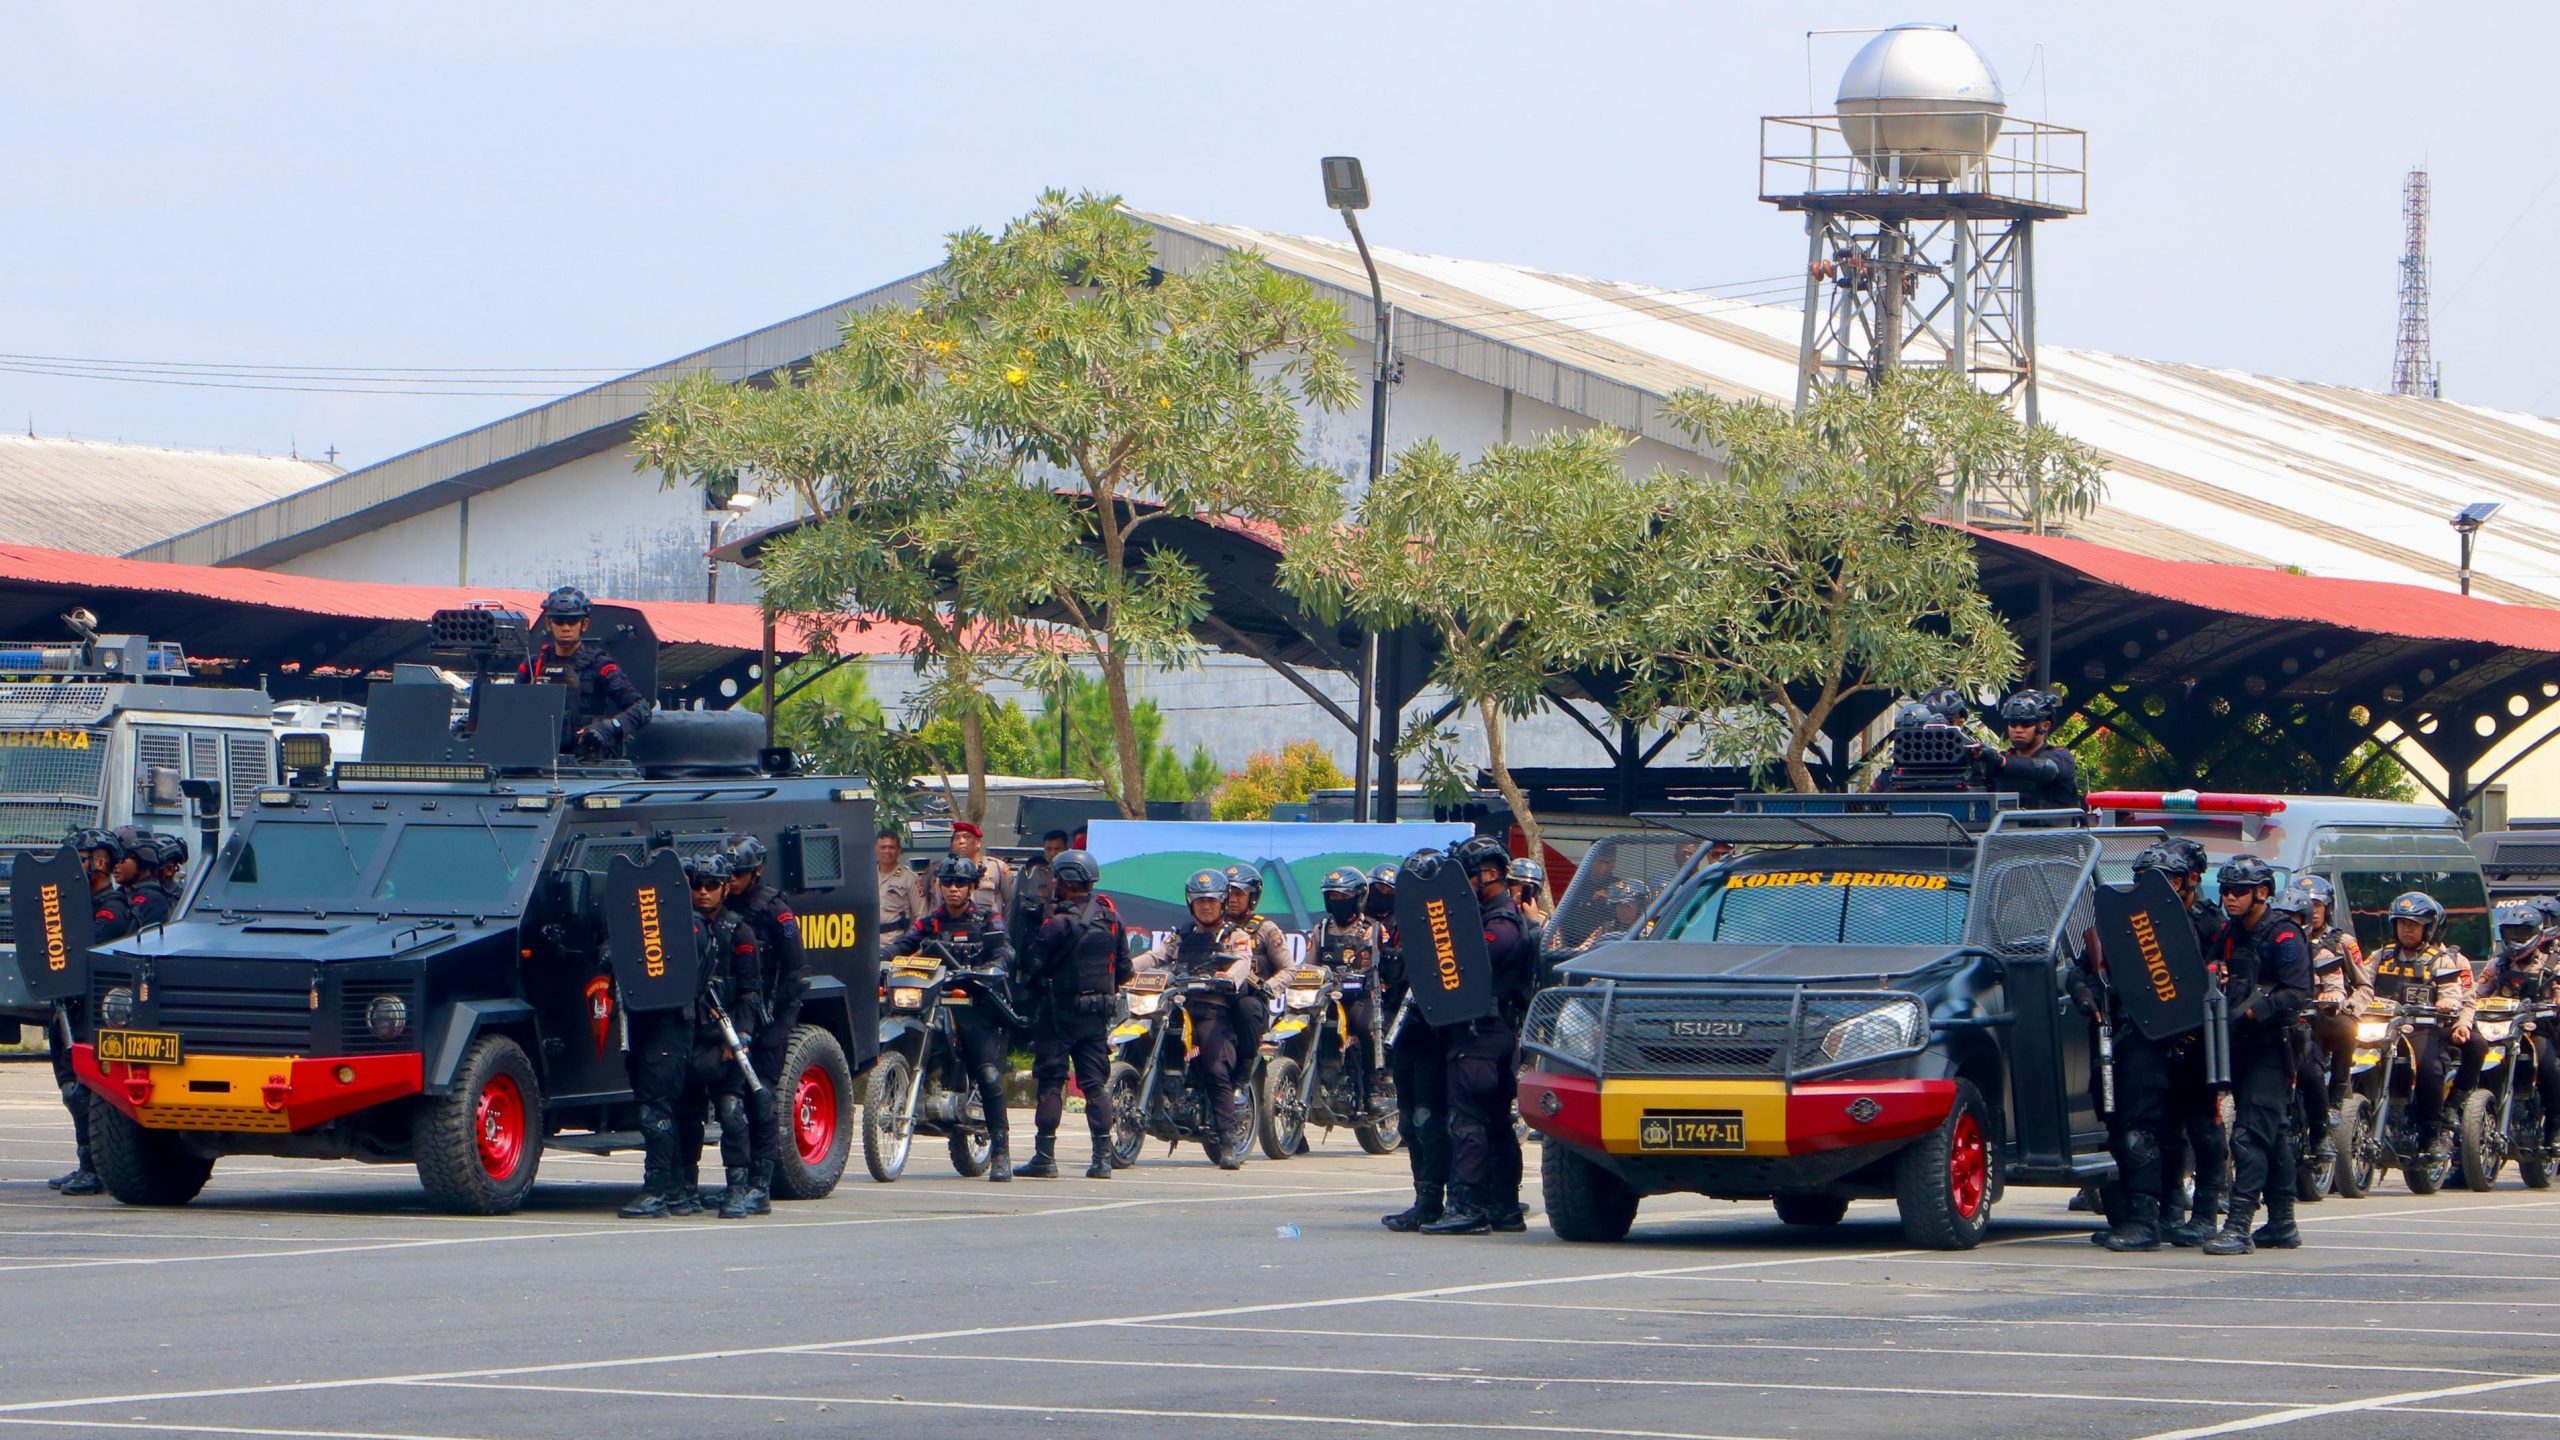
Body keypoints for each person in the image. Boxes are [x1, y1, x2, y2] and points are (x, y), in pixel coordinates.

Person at [1425, 835, 1535, 1236]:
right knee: (1493, 1122)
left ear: (1488, 875)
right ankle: (1503, 1206)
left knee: (1469, 1119)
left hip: (1483, 1036)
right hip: (1490, 1035)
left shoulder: (1501, 925)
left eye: (1468, 877)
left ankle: (1468, 1205)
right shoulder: (1494, 919)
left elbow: (1470, 965)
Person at [885, 855, 1020, 1180]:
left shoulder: (987, 919)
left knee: (988, 1074)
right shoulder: (931, 922)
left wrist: (995, 964)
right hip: (935, 1001)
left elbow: (1005, 949)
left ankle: (1001, 1150)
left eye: (960, 883)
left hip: (974, 1003)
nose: (953, 889)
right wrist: (877, 957)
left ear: (972, 886)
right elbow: (902, 944)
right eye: (947, 883)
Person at [2202, 856, 2312, 1255]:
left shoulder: (2284, 935)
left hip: (2274, 1046)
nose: (2229, 898)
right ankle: (2282, 1221)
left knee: (2249, 1135)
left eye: (2238, 891)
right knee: (2274, 1135)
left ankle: (2238, 1225)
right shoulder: (2230, 932)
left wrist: (2250, 1011)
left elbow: (2297, 992)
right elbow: (2211, 966)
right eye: (2225, 891)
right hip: (2239, 1045)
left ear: (2262, 893)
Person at [2088, 841, 2188, 1251]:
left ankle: (2151, 1220)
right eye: (2141, 879)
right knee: (2120, 1131)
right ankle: (2133, 1215)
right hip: (2124, 1039)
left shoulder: (2187, 928)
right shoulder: (2121, 923)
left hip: (2167, 1044)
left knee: (2146, 1132)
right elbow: (2085, 969)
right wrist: (2086, 996)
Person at [1134, 869, 1267, 1169]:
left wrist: (1230, 978)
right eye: (1199, 901)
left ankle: (1228, 1137)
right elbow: (1156, 957)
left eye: (1211, 900)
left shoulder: (1236, 936)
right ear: (1189, 903)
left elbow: (1242, 963)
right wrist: (1124, 969)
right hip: (1178, 1007)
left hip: (1211, 1009)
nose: (1205, 906)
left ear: (1221, 902)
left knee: (1214, 1066)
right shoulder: (1182, 935)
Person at [1016, 848, 1127, 1180]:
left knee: (1051, 1083)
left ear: (1063, 882)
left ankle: (1044, 1158)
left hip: (1058, 1014)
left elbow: (1030, 965)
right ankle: (1102, 1159)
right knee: (1095, 1086)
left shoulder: (1057, 924)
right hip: (1096, 1016)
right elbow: (1124, 969)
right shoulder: (1112, 919)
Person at [2367, 890, 2481, 1169]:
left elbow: (2456, 994)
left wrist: (2447, 1004)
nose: (2407, 929)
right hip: (2382, 1028)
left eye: (2414, 924)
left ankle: (2433, 1132)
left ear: (2428, 927)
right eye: (2402, 922)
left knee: (2430, 1067)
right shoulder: (2379, 956)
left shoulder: (2443, 960)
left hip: (2423, 1028)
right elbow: (2361, 986)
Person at [722, 833, 805, 1216]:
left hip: (771, 1014)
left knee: (762, 1094)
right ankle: (736, 1183)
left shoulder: (776, 910)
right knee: (731, 1098)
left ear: (756, 871)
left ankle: (761, 1184)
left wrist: (772, 1016)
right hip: (736, 1014)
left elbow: (794, 972)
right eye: (729, 874)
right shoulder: (718, 904)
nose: (732, 881)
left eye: (739, 874)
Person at [44, 828, 130, 1197]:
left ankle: (96, 1167)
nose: (81, 864)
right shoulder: (79, 906)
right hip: (67, 1006)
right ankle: (85, 1162)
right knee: (69, 1088)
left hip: (94, 1012)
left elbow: (84, 951)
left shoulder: (114, 908)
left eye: (88, 857)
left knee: (85, 1091)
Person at [517, 585, 652, 757]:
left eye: (572, 621)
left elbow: (642, 709)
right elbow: (515, 708)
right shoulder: (533, 665)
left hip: (588, 760)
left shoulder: (600, 665)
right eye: (559, 620)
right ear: (548, 624)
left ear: (584, 624)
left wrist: (608, 728)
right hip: (539, 758)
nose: (566, 627)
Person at [2477, 914, 2560, 1159]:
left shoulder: (2552, 962)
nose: (2515, 939)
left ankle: (2555, 1127)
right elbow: (2476, 993)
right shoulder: (2498, 964)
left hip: (2537, 1031)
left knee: (2549, 1067)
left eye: (2521, 933)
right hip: (2500, 1032)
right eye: (2510, 933)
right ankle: (2465, 1152)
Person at [1309, 865, 1389, 1114]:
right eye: (1333, 897)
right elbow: (1307, 965)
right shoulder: (1320, 930)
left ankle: (1373, 1087)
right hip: (1325, 998)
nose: (1338, 902)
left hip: (1360, 997)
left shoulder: (1373, 930)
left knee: (1366, 1027)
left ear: (1359, 898)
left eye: (1344, 897)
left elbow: (1385, 965)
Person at [2299, 875, 2372, 1131]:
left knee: (2346, 1028)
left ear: (2328, 908)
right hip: (2296, 1015)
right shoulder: (2287, 938)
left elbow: (2364, 986)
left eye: (2318, 906)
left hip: (2331, 1014)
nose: (2313, 913)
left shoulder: (2343, 942)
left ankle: (2337, 1094)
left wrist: (2346, 1008)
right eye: (2307, 906)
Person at [1980, 689, 2082, 811]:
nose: (2018, 729)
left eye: (2025, 723)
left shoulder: (2062, 758)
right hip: (2003, 828)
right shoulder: (2000, 760)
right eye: (2013, 723)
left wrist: (2002, 762)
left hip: (2055, 830)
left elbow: (2048, 769)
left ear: (2045, 725)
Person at [948, 821, 1014, 915]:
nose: (961, 841)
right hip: (957, 927)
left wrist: (1005, 928)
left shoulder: (997, 867)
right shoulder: (946, 870)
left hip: (989, 927)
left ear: (978, 843)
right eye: (957, 838)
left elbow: (1011, 902)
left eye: (966, 837)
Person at [875, 827, 927, 937]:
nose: (887, 851)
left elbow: (921, 915)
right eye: (883, 847)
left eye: (891, 847)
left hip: (895, 941)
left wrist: (910, 943)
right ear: (875, 850)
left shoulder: (910, 878)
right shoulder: (868, 876)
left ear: (899, 851)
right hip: (870, 941)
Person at [1510, 859, 1549, 926]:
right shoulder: (1497, 915)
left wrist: (1534, 922)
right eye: (1520, 885)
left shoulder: (1544, 921)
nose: (1522, 892)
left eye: (1532, 887)